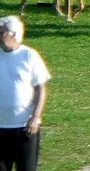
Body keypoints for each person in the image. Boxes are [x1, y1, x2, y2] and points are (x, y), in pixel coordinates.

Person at [0, 16, 47, 171]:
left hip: (24, 127)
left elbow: (41, 88)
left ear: (13, 34)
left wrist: (35, 117)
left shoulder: (29, 55)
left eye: (1, 33)